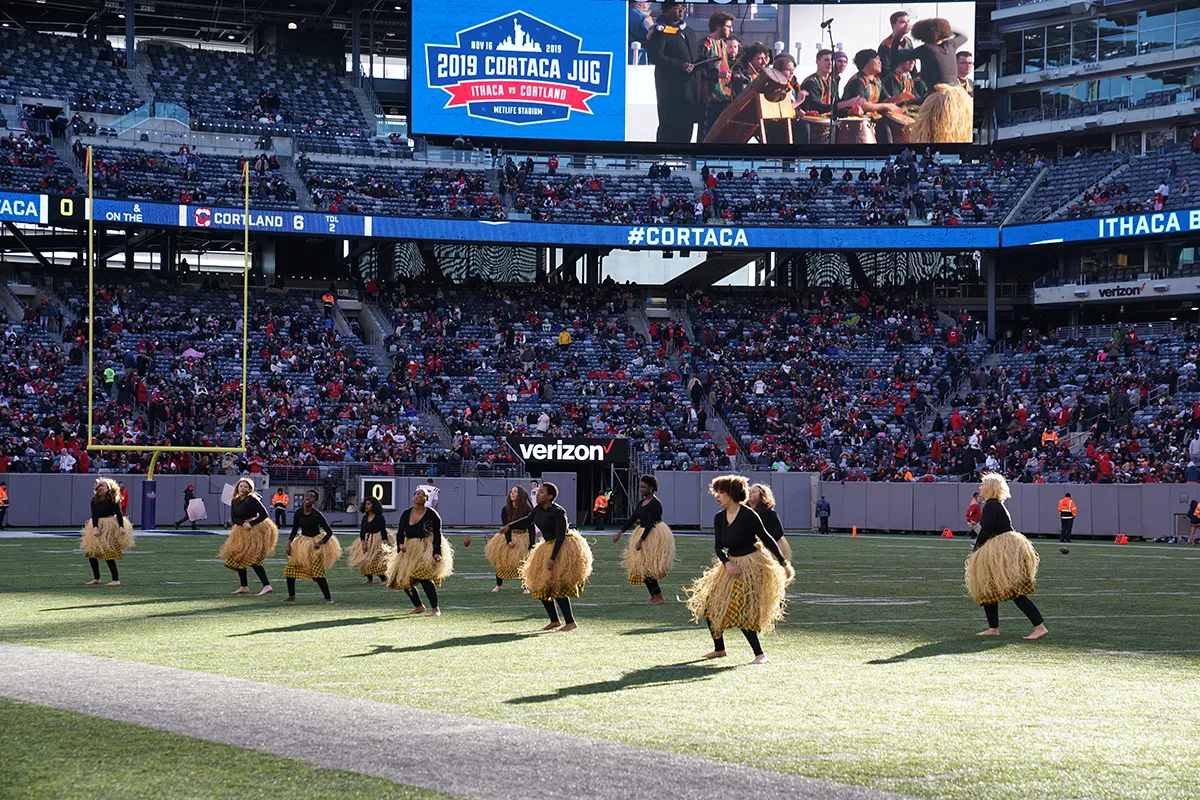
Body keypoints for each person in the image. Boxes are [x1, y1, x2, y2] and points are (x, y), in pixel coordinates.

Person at [685, 475, 792, 665]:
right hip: (731, 563)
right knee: (710, 604)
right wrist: (726, 562)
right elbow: (718, 547)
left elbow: (767, 539)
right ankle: (719, 649)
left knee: (740, 607)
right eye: (716, 492)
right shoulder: (719, 517)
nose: (717, 496)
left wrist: (784, 563)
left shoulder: (749, 515)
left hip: (751, 565)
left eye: (722, 492)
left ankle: (760, 655)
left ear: (732, 494)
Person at [965, 473, 1048, 640]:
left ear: (990, 488)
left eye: (982, 485)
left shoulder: (991, 505)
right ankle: (993, 628)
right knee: (987, 587)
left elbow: (986, 530)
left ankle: (1039, 627)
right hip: (1002, 548)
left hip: (1004, 551)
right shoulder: (995, 504)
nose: (980, 488)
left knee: (1014, 591)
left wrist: (976, 550)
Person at [502, 482, 593, 631]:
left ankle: (570, 622)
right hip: (546, 546)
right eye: (538, 492)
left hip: (561, 548)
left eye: (542, 493)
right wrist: (509, 526)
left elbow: (561, 537)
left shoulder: (558, 512)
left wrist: (553, 558)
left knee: (557, 583)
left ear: (550, 496)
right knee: (540, 583)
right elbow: (528, 520)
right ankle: (554, 620)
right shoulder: (538, 508)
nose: (538, 494)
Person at [386, 488, 452, 616]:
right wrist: (400, 544)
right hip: (409, 548)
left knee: (424, 577)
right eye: (417, 494)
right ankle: (419, 606)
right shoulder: (406, 513)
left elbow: (437, 534)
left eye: (423, 495)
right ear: (413, 498)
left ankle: (435, 608)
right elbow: (400, 532)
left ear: (427, 500)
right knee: (402, 578)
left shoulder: (432, 515)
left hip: (425, 547)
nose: (419, 496)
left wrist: (436, 552)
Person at [612, 475, 674, 605]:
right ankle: (654, 595)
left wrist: (641, 540)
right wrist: (620, 532)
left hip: (652, 535)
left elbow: (651, 523)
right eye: (640, 487)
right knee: (641, 566)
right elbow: (633, 518)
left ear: (651, 488)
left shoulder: (656, 504)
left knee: (647, 567)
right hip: (643, 532)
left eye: (643, 487)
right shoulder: (642, 502)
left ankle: (658, 596)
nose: (641, 489)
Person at [646, 1, 702, 143]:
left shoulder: (688, 31)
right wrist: (680, 65)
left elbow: (695, 55)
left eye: (682, 8)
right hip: (671, 90)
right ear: (667, 10)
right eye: (677, 8)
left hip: (690, 89)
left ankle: (683, 157)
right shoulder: (660, 31)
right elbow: (655, 56)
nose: (681, 11)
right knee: (670, 125)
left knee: (687, 126)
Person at [220, 478, 276, 596]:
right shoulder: (235, 501)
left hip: (255, 531)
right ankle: (244, 586)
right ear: (237, 488)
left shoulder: (252, 500)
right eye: (241, 486)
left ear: (249, 489)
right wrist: (242, 524)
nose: (243, 488)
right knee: (238, 557)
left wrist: (251, 523)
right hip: (241, 531)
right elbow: (234, 518)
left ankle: (267, 585)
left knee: (254, 560)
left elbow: (264, 514)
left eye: (246, 487)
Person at [283, 489, 340, 604]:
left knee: (318, 573)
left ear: (315, 501)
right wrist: (289, 543)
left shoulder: (317, 515)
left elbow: (329, 532)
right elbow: (294, 529)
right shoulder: (298, 512)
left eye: (311, 497)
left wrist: (320, 543)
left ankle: (328, 598)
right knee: (290, 570)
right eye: (306, 496)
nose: (308, 498)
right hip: (302, 544)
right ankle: (291, 595)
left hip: (315, 546)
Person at [841, 49, 903, 144]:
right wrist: (885, 106)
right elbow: (861, 105)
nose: (880, 62)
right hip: (857, 121)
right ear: (866, 63)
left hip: (873, 117)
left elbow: (885, 100)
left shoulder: (877, 80)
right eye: (876, 59)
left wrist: (899, 98)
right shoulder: (858, 81)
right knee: (884, 129)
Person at [81, 477, 134, 586]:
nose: (100, 488)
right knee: (91, 553)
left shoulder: (113, 499)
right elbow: (94, 515)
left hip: (109, 526)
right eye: (99, 486)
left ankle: (116, 579)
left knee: (108, 553)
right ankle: (96, 578)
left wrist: (121, 526)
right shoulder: (94, 500)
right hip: (98, 525)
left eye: (103, 486)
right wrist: (95, 527)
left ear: (108, 488)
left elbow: (119, 513)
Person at [486, 485, 535, 593]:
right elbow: (505, 525)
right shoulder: (505, 509)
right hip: (507, 538)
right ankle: (498, 585)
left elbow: (531, 528)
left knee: (523, 562)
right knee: (501, 561)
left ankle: (525, 586)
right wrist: (509, 540)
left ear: (521, 495)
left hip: (522, 537)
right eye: (511, 492)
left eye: (515, 492)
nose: (512, 494)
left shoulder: (527, 510)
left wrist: (532, 543)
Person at [698, 11, 735, 140]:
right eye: (728, 26)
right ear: (718, 26)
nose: (731, 30)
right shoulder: (705, 44)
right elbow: (699, 71)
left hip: (724, 98)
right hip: (710, 99)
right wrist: (719, 74)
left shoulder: (723, 44)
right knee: (707, 136)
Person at [349, 497, 391, 585]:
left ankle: (385, 579)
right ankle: (370, 579)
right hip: (367, 539)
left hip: (377, 540)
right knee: (364, 560)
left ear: (374, 505)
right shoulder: (365, 517)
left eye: (369, 504)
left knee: (377, 560)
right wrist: (363, 542)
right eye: (365, 504)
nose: (366, 506)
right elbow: (362, 531)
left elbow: (383, 530)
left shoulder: (380, 517)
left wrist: (385, 542)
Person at [749, 483, 790, 562]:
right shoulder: (745, 513)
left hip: (768, 551)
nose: (750, 493)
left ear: (762, 496)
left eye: (754, 492)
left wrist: (763, 544)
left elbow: (778, 532)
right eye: (749, 491)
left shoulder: (769, 513)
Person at [878, 11, 915, 77]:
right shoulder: (886, 45)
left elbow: (913, 65)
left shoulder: (908, 41)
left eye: (908, 21)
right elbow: (885, 70)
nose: (907, 25)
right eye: (902, 22)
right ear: (893, 25)